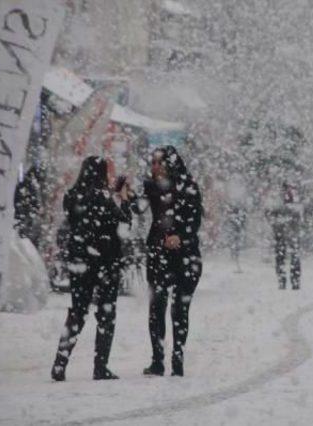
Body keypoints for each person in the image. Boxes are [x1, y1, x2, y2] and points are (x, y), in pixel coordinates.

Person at [50, 156, 132, 381]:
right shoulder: (104, 198)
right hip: (105, 262)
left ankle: (60, 363)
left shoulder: (72, 195)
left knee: (77, 312)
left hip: (80, 262)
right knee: (106, 314)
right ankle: (100, 366)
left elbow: (76, 220)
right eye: (108, 172)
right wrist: (123, 200)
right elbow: (124, 226)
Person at [134, 145, 203, 377]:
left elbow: (194, 220)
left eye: (159, 163)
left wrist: (180, 236)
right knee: (157, 307)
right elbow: (139, 208)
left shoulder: (188, 187)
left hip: (185, 255)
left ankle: (178, 358)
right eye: (152, 163)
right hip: (158, 252)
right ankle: (158, 359)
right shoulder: (150, 187)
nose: (154, 167)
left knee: (180, 309)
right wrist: (126, 196)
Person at [265, 181, 303, 290]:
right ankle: (291, 280)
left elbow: (269, 213)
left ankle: (284, 280)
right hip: (288, 231)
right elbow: (298, 214)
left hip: (282, 231)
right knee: (290, 255)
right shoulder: (291, 198)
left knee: (281, 256)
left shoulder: (276, 199)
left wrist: (276, 222)